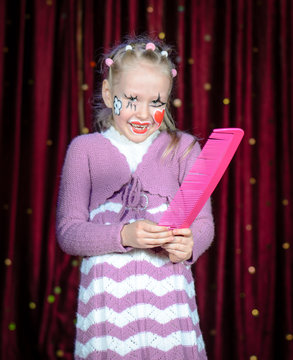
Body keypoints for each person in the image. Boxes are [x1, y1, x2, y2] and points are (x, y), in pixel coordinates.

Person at [56, 35, 214, 359]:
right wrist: (123, 234)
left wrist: (190, 244)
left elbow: (203, 224)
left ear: (167, 102)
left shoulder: (184, 149)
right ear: (107, 93)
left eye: (156, 103)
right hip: (106, 310)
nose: (143, 114)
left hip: (169, 306)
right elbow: (69, 233)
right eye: (130, 99)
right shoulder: (84, 151)